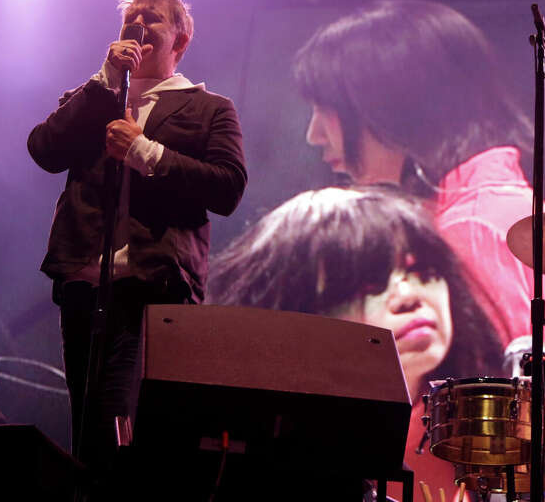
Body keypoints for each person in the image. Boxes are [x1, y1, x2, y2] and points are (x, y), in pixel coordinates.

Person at [28, 0, 247, 471]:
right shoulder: (95, 96)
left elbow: (228, 187)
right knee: (85, 432)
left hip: (152, 289)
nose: (139, 25)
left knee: (120, 429)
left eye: (153, 18)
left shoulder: (209, 108)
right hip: (84, 288)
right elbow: (43, 149)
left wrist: (144, 152)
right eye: (133, 17)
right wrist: (106, 78)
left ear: (180, 41)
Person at [292, 0, 545, 350]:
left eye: (327, 110)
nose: (314, 135)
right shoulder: (500, 207)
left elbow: (475, 401)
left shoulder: (471, 229)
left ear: (391, 110)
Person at [210, 185, 505, 501]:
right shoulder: (251, 455)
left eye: (422, 271)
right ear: (300, 310)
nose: (409, 297)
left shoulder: (485, 432)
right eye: (371, 284)